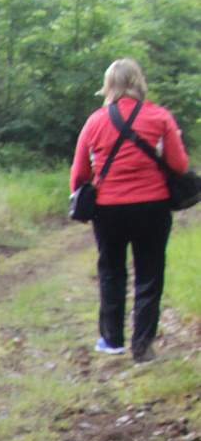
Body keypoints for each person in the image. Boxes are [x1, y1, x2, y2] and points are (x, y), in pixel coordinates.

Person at [70, 58, 190, 363]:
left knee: (111, 271)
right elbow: (179, 165)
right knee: (150, 272)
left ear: (109, 85)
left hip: (108, 209)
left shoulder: (95, 121)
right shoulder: (160, 117)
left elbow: (80, 172)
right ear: (138, 82)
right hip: (153, 206)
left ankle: (112, 340)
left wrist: (80, 198)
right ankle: (142, 345)